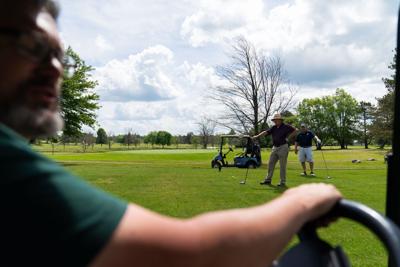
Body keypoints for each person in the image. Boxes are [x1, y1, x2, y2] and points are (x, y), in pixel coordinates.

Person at [0, 1, 342, 266]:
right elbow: (193, 257)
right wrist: (301, 202)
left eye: (59, 56)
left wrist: (295, 139)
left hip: (286, 150)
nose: (55, 68)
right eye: (33, 45)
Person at [252, 114, 297, 187]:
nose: (275, 121)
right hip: (275, 147)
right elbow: (265, 132)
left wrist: (288, 138)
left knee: (282, 165)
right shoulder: (274, 127)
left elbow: (295, 130)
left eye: (276, 120)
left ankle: (282, 182)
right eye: (274, 120)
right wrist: (257, 136)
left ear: (280, 120)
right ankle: (268, 180)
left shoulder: (286, 126)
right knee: (270, 163)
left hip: (283, 147)